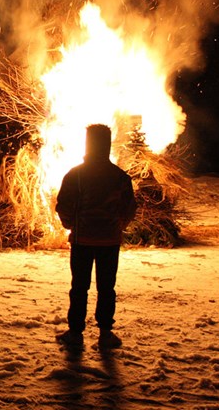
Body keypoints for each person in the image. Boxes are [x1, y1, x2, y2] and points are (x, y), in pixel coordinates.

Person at [55, 124, 137, 351]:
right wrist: (119, 225)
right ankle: (105, 334)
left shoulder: (76, 174)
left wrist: (70, 224)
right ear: (107, 144)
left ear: (87, 143)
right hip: (109, 241)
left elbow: (64, 205)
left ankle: (75, 334)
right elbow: (129, 208)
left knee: (79, 287)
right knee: (106, 288)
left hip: (82, 240)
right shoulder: (119, 176)